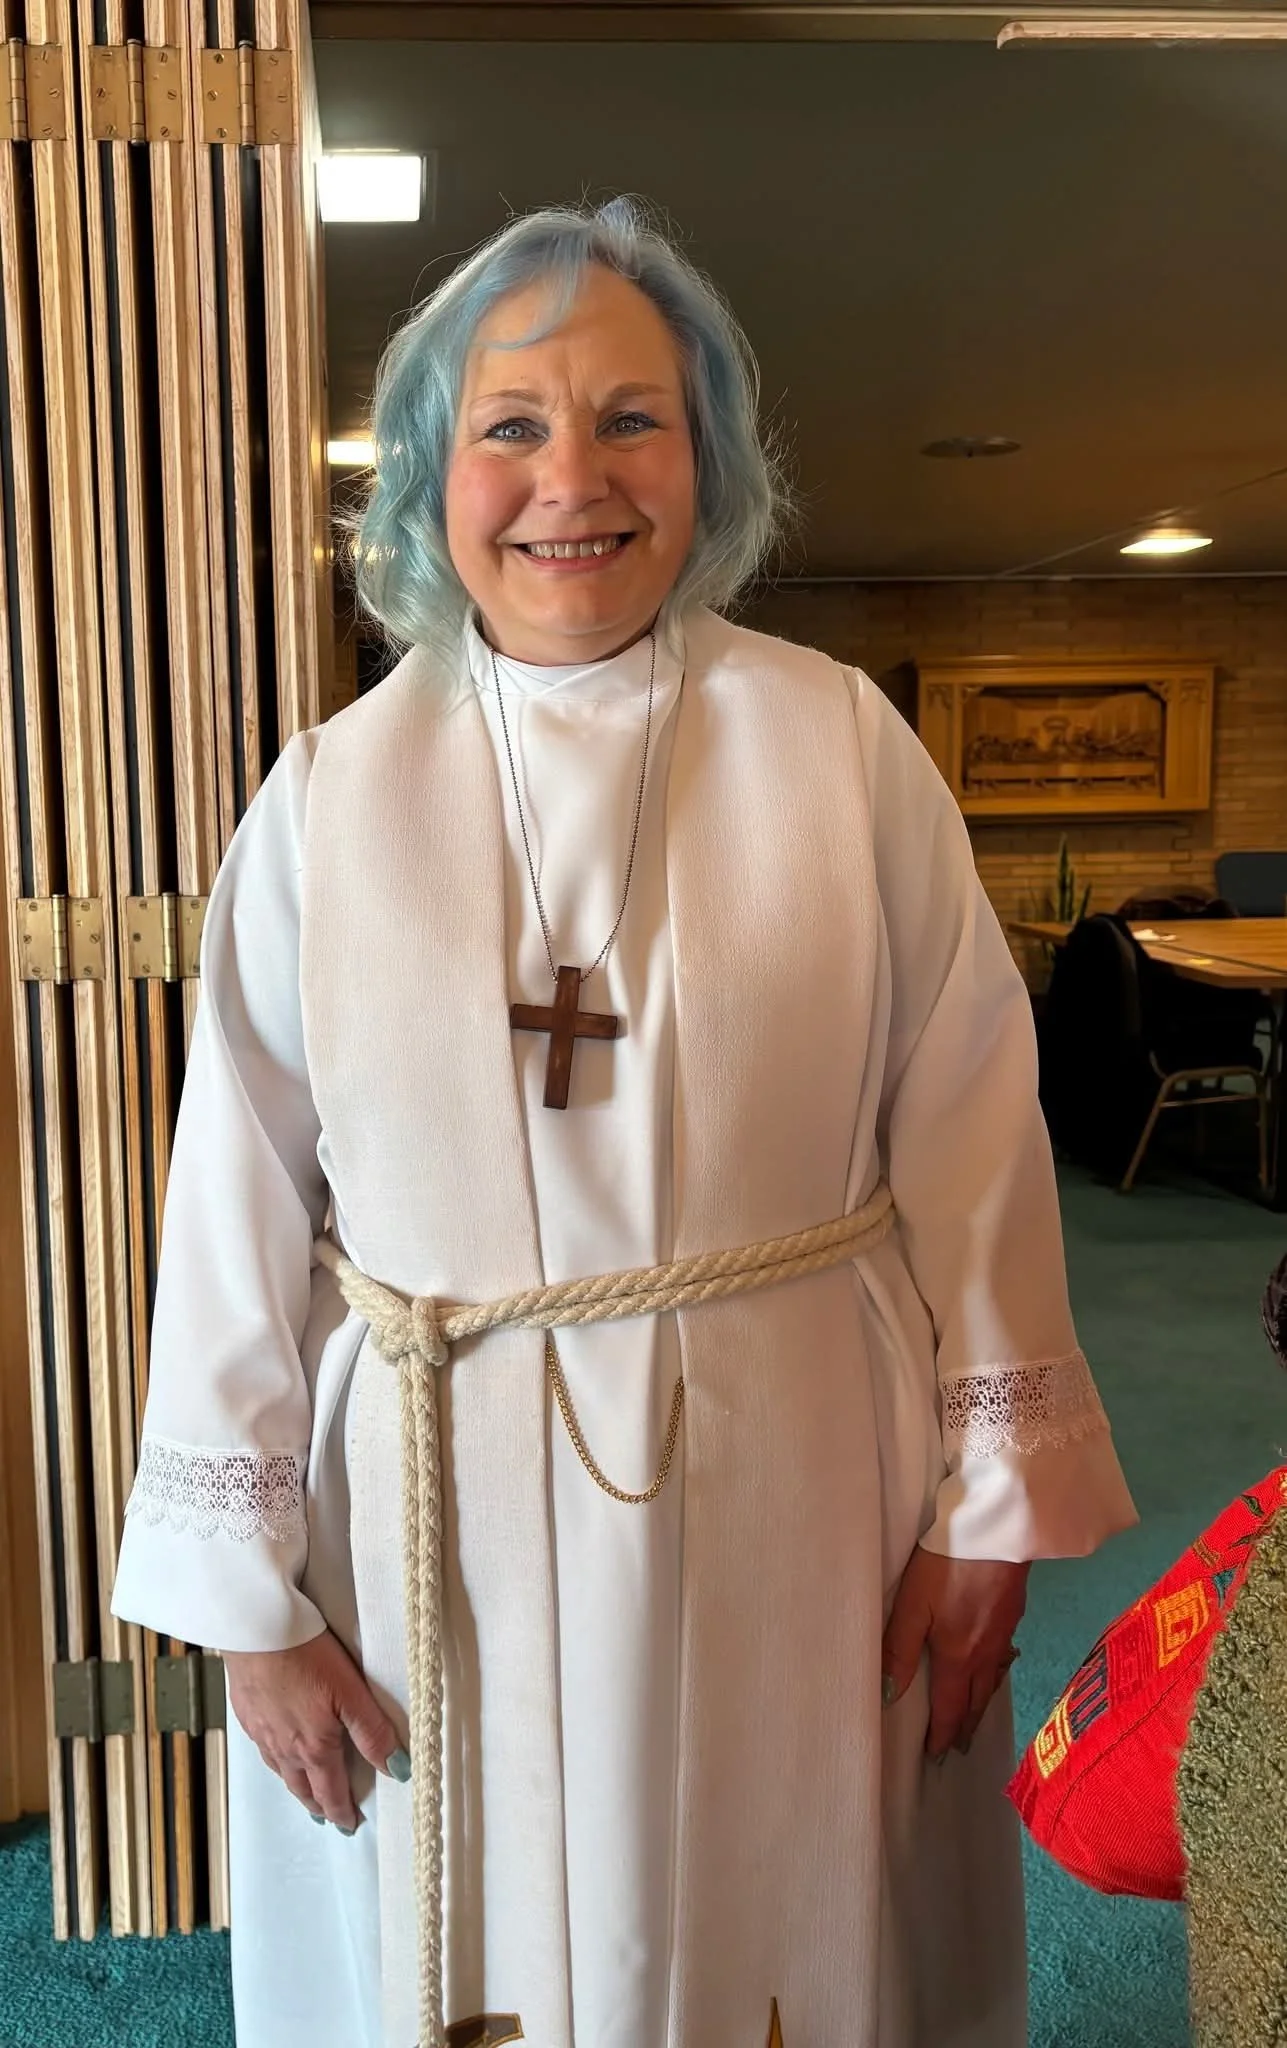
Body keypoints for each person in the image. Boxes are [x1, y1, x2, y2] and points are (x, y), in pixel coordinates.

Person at [111, 198, 1136, 2048]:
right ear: (429, 475)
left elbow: (975, 1133)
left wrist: (986, 1511)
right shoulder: (326, 801)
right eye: (508, 425)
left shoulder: (839, 750)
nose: (569, 479)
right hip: (427, 1501)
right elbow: (233, 1201)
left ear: (707, 458)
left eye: (630, 420)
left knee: (779, 1913)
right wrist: (248, 1607)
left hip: (798, 1477)